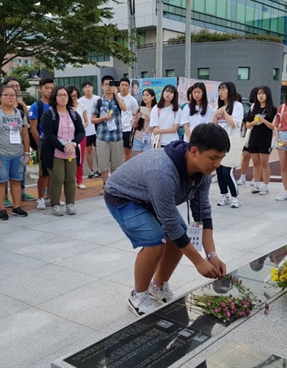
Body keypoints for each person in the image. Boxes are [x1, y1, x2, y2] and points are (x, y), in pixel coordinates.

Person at [104, 123, 229, 316]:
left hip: (150, 197)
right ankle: (138, 295)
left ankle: (158, 287)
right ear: (194, 151)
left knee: (179, 236)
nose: (217, 164)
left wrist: (212, 256)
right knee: (156, 241)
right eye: (213, 158)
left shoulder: (204, 174)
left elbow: (203, 212)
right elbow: (169, 222)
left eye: (221, 158)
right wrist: (198, 262)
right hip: (124, 196)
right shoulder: (162, 171)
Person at [0, 86, 30, 220]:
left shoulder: (20, 114)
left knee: (17, 180)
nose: (11, 98)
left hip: (18, 153)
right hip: (1, 154)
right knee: (1, 182)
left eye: (13, 95)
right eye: (7, 95)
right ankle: (1, 209)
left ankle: (16, 207)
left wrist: (27, 153)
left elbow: (25, 135)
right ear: (0, 97)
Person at [40, 86, 85, 216]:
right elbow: (48, 134)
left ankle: (70, 204)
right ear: (55, 97)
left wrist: (74, 143)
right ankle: (55, 204)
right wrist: (62, 147)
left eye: (65, 95)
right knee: (57, 179)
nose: (63, 97)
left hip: (72, 151)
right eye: (60, 95)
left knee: (71, 179)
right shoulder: (49, 114)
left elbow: (81, 131)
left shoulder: (73, 113)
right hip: (55, 151)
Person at [91, 75, 127, 195]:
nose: (108, 87)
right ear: (102, 86)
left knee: (117, 163)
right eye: (106, 84)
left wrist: (117, 94)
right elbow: (92, 119)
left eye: (111, 84)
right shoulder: (98, 102)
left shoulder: (118, 99)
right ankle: (105, 185)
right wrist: (103, 118)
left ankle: (114, 185)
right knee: (104, 163)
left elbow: (124, 108)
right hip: (103, 137)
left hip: (117, 137)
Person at [4, 77, 36, 203]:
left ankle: (21, 193)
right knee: (4, 173)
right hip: (4, 145)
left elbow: (28, 121)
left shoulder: (21, 105)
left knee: (20, 170)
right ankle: (4, 197)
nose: (16, 88)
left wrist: (23, 105)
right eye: (12, 86)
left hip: (20, 143)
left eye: (17, 86)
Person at [212, 81, 244, 208]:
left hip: (232, 142)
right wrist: (216, 114)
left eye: (223, 89)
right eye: (219, 90)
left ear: (230, 91)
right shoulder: (218, 108)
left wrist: (223, 113)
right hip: (219, 142)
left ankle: (235, 197)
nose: (220, 92)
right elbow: (213, 126)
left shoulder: (237, 106)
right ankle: (224, 195)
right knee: (219, 171)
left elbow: (234, 123)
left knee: (227, 172)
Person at [245, 86, 276, 196]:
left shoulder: (273, 109)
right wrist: (253, 123)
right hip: (254, 138)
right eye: (259, 94)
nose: (260, 96)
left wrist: (262, 120)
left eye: (263, 93)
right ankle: (256, 184)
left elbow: (273, 126)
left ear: (267, 95)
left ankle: (266, 186)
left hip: (265, 138)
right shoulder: (254, 108)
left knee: (264, 163)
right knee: (255, 163)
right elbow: (247, 124)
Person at [28, 78, 54, 209]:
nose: (49, 90)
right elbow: (33, 128)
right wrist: (40, 145)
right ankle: (40, 198)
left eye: (51, 88)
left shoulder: (56, 105)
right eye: (46, 88)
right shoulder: (36, 106)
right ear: (41, 89)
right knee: (43, 173)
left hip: (55, 145)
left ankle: (50, 197)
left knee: (53, 173)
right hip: (43, 145)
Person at [78, 81, 100, 179]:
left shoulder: (98, 99)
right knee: (89, 150)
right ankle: (92, 170)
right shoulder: (80, 101)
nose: (87, 88)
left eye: (89, 86)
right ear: (83, 89)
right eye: (85, 87)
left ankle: (100, 169)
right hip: (86, 130)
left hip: (97, 129)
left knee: (98, 150)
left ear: (92, 88)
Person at [67, 85, 89, 189]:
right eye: (71, 96)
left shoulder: (82, 106)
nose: (73, 98)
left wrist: (80, 128)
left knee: (80, 158)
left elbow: (86, 121)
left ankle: (79, 180)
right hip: (68, 136)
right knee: (69, 158)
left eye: (75, 95)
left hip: (80, 136)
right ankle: (69, 180)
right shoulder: (66, 107)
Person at [237, 87, 259, 186]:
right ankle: (242, 176)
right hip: (249, 135)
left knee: (257, 159)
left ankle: (256, 178)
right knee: (245, 156)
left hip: (260, 136)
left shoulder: (267, 107)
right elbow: (247, 120)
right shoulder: (252, 107)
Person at [131, 88, 157, 156]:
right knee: (137, 159)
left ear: (152, 97)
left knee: (147, 158)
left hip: (150, 138)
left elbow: (158, 124)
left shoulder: (156, 110)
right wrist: (138, 117)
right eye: (143, 95)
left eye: (147, 95)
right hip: (138, 137)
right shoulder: (139, 109)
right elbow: (133, 125)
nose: (145, 97)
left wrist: (150, 118)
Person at [118, 77, 139, 161]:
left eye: (126, 85)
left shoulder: (132, 100)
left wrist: (134, 126)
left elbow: (135, 114)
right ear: (119, 86)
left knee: (127, 150)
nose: (124, 87)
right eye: (122, 85)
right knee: (117, 151)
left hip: (127, 128)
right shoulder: (115, 97)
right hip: (116, 128)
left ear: (129, 87)